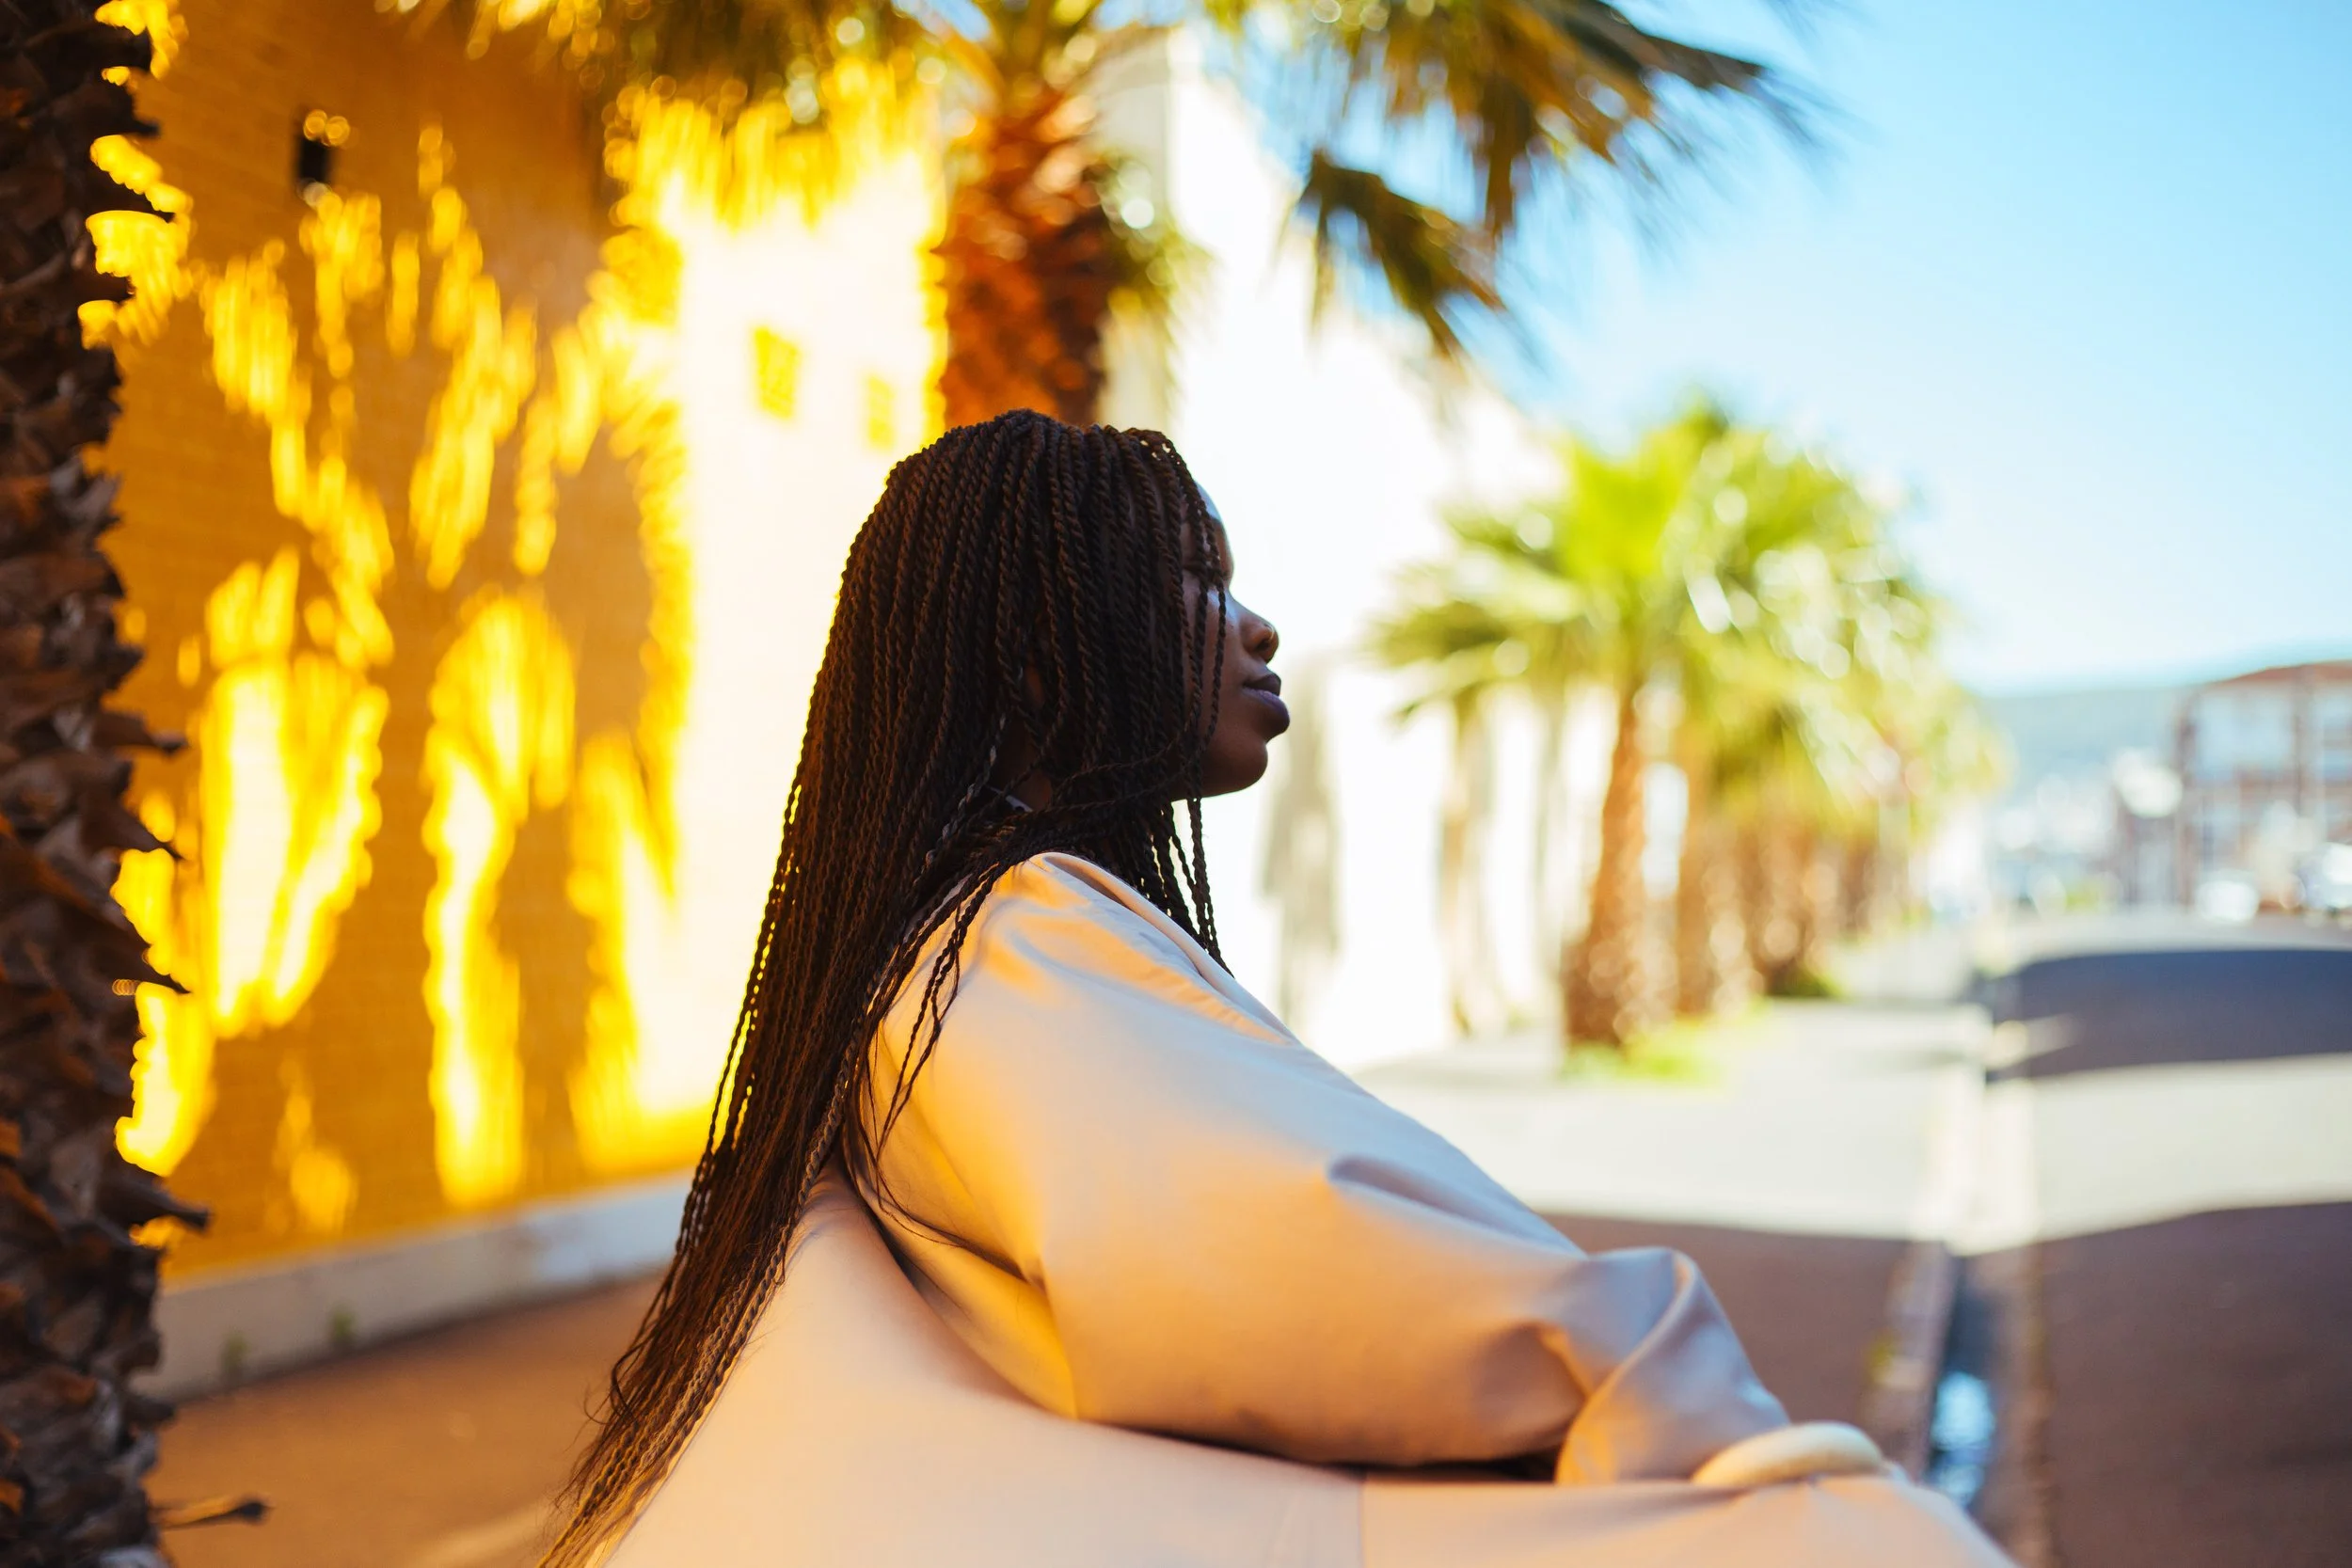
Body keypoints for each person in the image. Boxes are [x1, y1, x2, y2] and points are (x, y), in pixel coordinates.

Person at [545, 412, 2009, 1567]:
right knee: (1868, 1538)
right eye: (1193, 583)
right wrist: (1641, 1358)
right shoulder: (1008, 934)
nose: (1254, 626)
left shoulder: (965, 933)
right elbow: (1276, 1251)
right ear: (1050, 649)